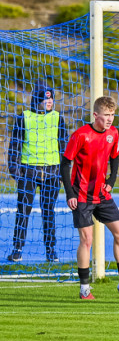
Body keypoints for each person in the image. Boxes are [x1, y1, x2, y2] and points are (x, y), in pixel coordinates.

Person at [60, 95, 119, 300]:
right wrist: (70, 194)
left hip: (102, 195)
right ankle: (84, 288)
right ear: (95, 115)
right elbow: (65, 164)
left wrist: (111, 181)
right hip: (81, 196)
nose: (110, 119)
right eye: (106, 115)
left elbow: (115, 157)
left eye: (112, 115)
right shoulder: (80, 135)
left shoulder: (113, 133)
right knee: (87, 240)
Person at [7, 82, 68, 263]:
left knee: (48, 211)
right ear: (37, 99)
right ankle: (17, 249)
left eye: (51, 98)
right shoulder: (23, 118)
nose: (48, 102)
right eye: (45, 98)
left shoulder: (58, 118)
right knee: (23, 211)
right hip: (28, 172)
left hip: (52, 173)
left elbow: (64, 147)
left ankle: (51, 250)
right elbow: (15, 146)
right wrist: (15, 170)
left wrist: (64, 173)